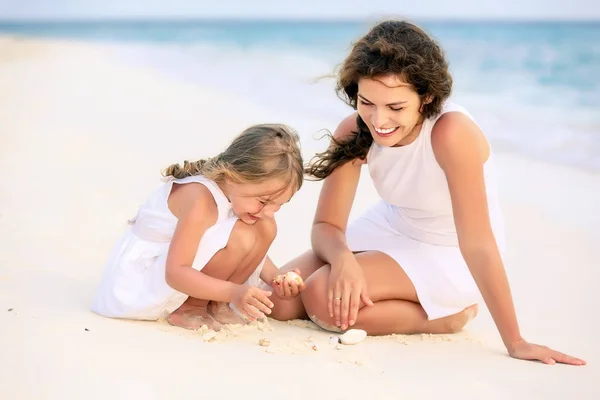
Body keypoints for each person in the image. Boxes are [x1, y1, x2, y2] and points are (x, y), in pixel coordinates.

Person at [270, 20, 585, 366]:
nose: (378, 120)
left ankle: (447, 316)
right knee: (280, 300)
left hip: (450, 252)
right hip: (393, 226)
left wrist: (516, 340)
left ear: (427, 97)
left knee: (319, 296)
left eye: (396, 107)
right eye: (367, 102)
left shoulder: (451, 133)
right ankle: (389, 291)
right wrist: (344, 260)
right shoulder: (353, 130)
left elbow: (477, 243)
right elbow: (327, 226)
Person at [91, 124, 306, 331]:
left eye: (279, 205)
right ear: (234, 175)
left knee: (265, 226)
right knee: (242, 234)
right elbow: (175, 272)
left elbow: (249, 249)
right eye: (264, 201)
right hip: (140, 283)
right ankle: (191, 307)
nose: (269, 211)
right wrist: (233, 292)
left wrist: (276, 278)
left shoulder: (235, 193)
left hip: (175, 269)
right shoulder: (200, 200)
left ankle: (215, 304)